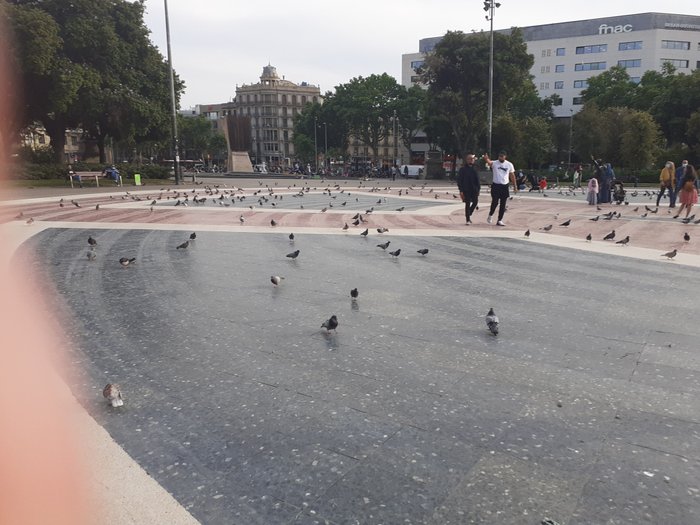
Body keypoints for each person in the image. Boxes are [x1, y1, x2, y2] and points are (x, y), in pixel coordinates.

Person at [483, 150, 516, 226]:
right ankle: (490, 215)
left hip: (504, 186)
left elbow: (512, 176)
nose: (500, 157)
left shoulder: (509, 164)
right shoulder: (495, 163)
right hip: (496, 185)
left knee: (503, 204)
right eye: (499, 156)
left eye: (502, 156)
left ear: (505, 156)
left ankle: (499, 220)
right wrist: (486, 159)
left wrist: (515, 186)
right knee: (495, 202)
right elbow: (489, 162)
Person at [456, 153, 481, 224]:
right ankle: (467, 219)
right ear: (467, 160)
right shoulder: (463, 169)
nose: (471, 160)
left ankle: (469, 212)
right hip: (466, 189)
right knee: (467, 203)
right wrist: (461, 190)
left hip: (474, 189)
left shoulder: (475, 169)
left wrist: (478, 189)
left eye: (472, 159)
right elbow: (459, 180)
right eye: (470, 159)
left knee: (475, 202)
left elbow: (478, 180)